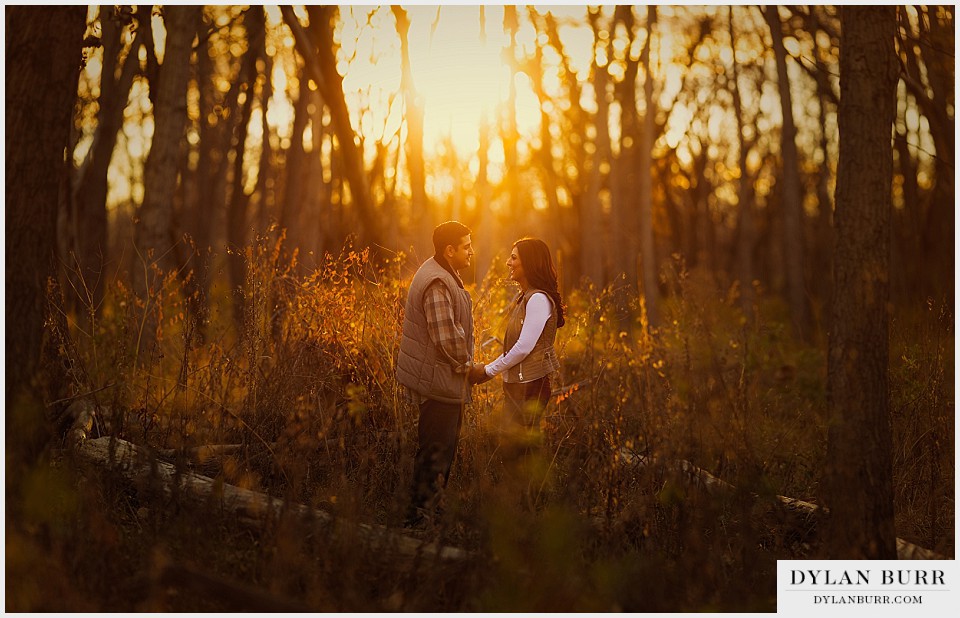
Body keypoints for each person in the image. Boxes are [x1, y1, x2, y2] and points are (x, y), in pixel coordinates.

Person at [396, 221, 477, 528]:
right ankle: (416, 522)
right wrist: (471, 369)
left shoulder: (442, 273)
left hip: (442, 379)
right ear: (450, 250)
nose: (471, 252)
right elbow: (446, 338)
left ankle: (429, 513)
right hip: (438, 382)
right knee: (435, 451)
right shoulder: (437, 282)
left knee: (439, 450)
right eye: (467, 246)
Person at [470, 237, 565, 442]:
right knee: (515, 452)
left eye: (514, 257)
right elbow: (517, 347)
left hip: (531, 387)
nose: (508, 262)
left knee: (520, 453)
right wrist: (491, 368)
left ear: (529, 263)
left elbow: (523, 348)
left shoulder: (538, 299)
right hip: (521, 385)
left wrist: (489, 370)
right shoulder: (527, 296)